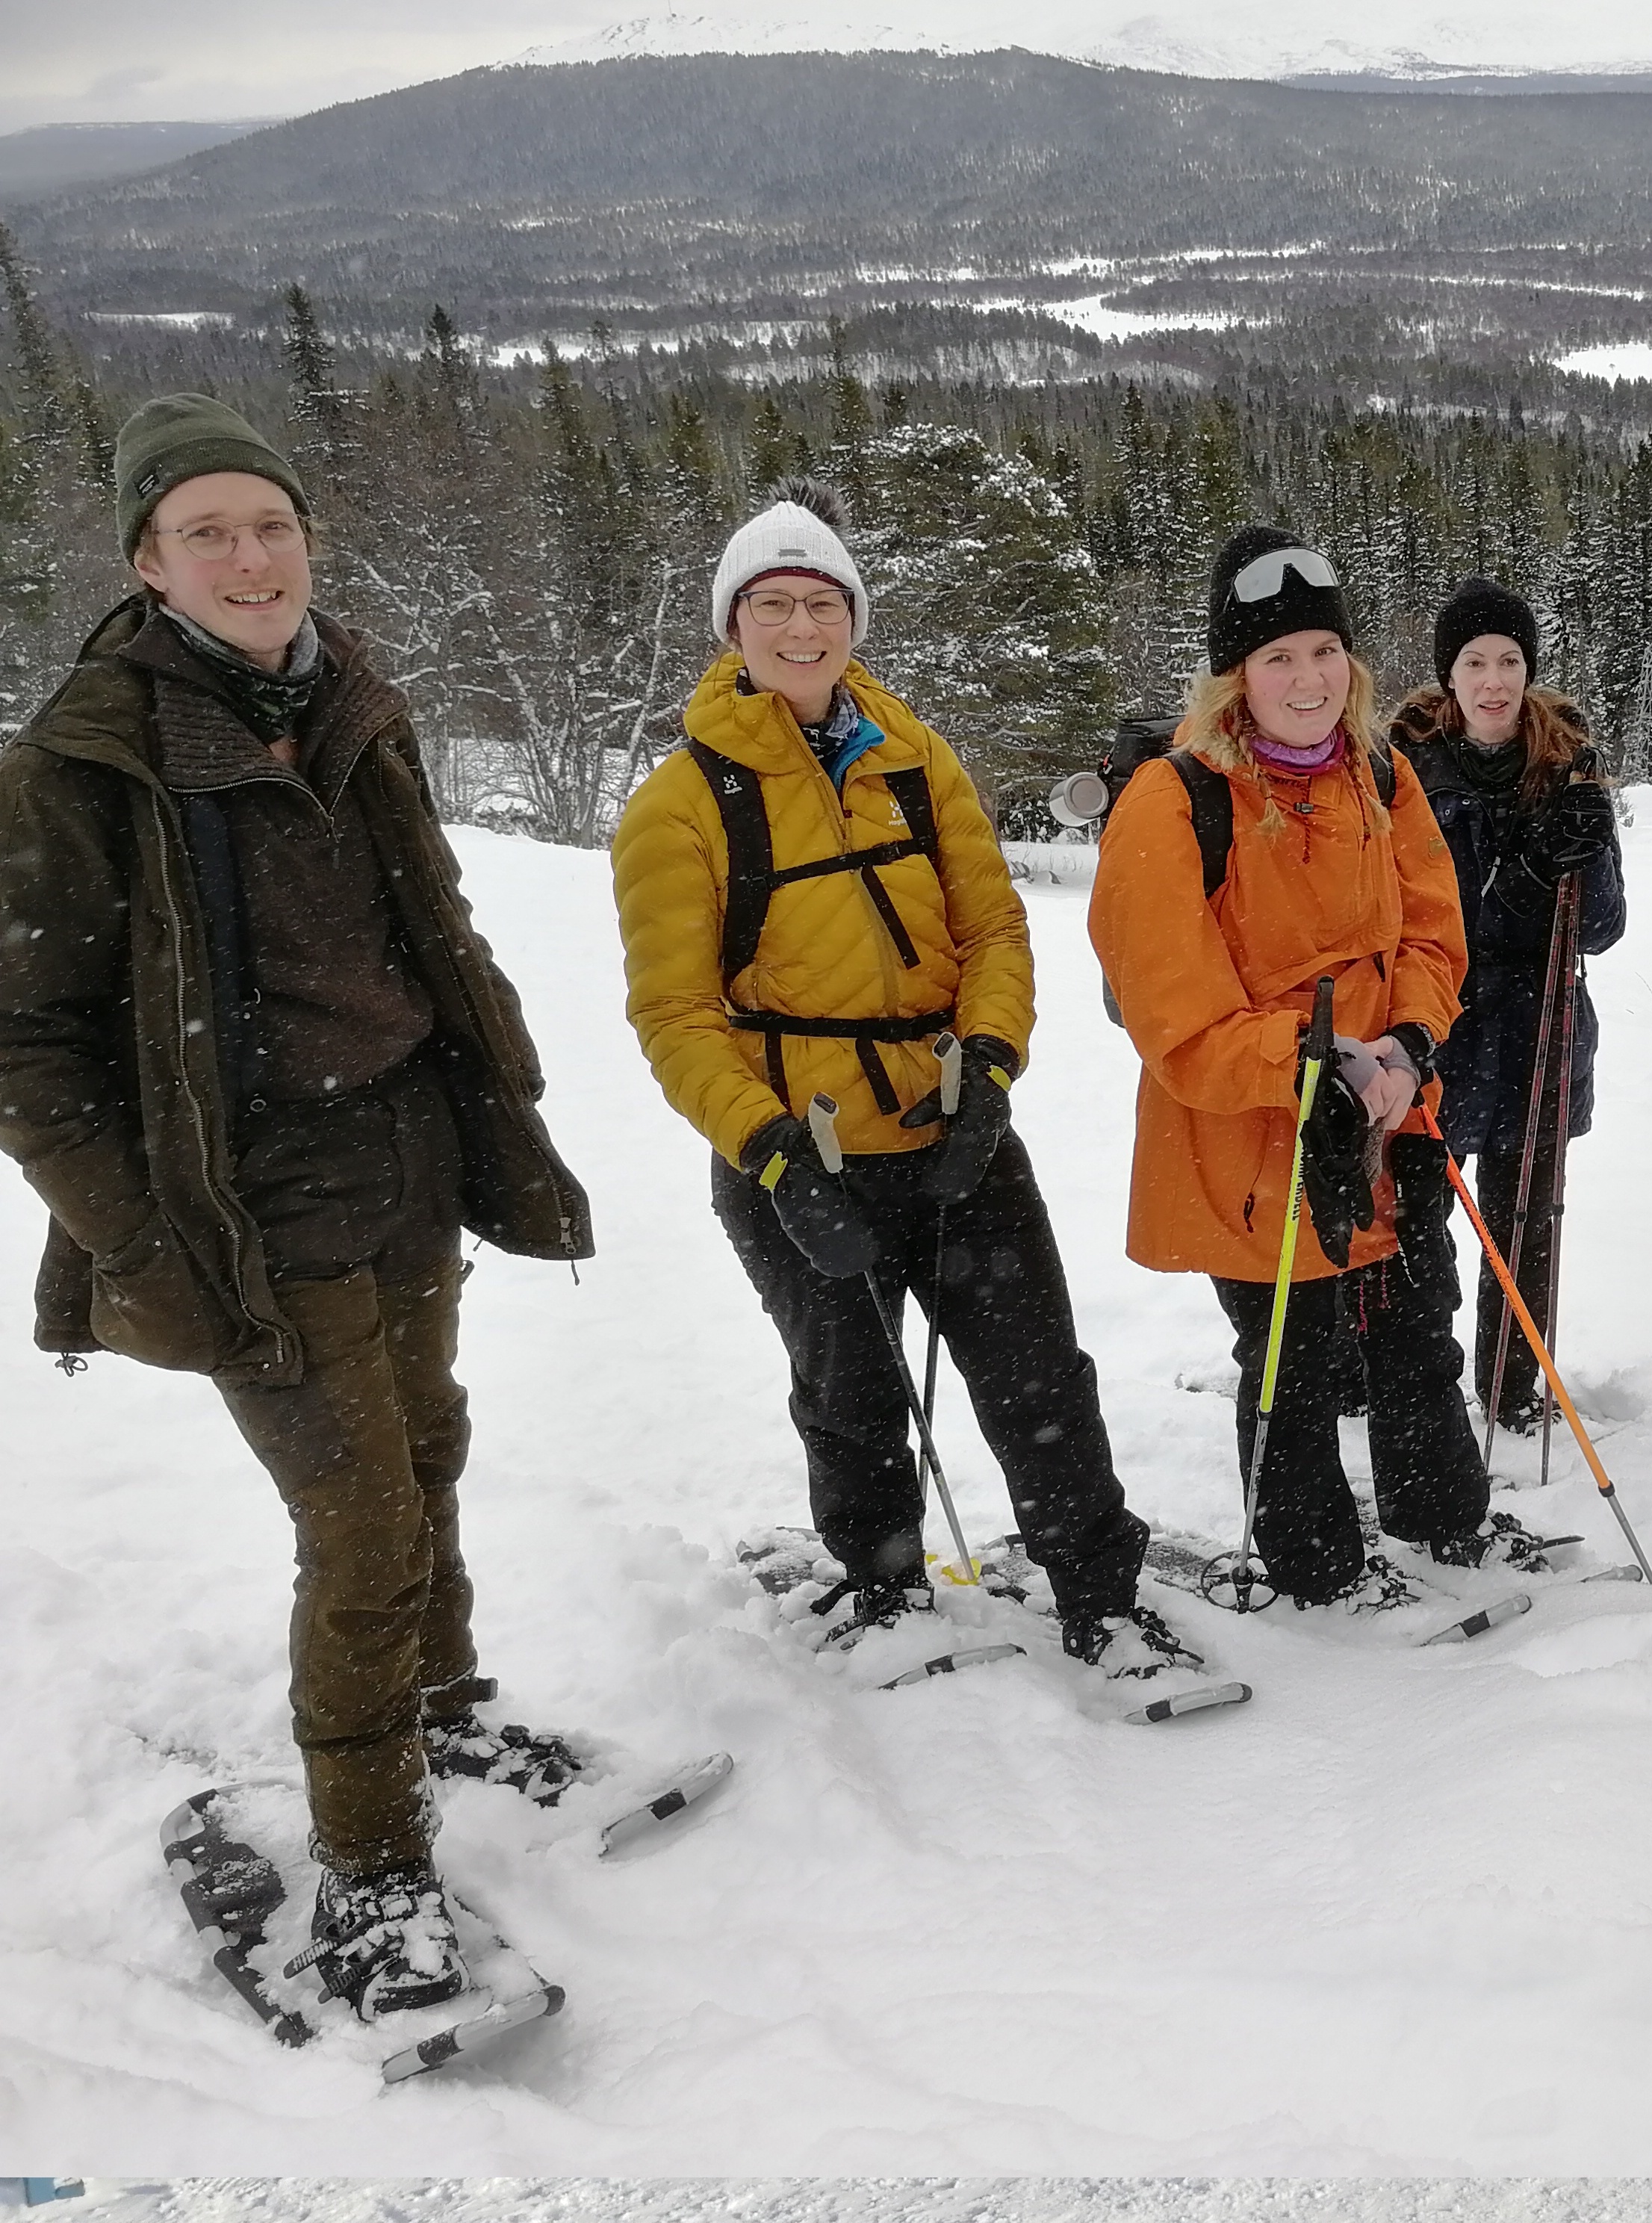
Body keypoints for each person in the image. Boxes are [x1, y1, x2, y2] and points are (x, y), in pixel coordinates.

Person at [0, 394, 594, 2018]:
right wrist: (141, 1245)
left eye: (271, 526)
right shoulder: (82, 762)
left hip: (404, 1155)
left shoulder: (351, 702)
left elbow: (432, 914)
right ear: (147, 560)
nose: (250, 557)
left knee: (429, 1444)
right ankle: (375, 1865)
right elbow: (30, 1045)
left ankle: (449, 1703)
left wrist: (491, 1110)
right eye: (209, 532)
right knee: (361, 1526)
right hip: (247, 1208)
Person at [612, 480, 1187, 1677]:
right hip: (802, 1155)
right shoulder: (682, 802)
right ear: (733, 627)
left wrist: (987, 1069)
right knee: (853, 1396)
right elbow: (674, 1016)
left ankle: (1100, 1594)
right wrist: (770, 1156)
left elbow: (995, 930)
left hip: (948, 1132)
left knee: (1039, 1379)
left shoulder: (917, 758)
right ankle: (884, 1594)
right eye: (771, 604)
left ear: (855, 619)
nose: (800, 627)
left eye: (822, 602)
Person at [1090, 525, 1527, 1612]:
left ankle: (1441, 1522)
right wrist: (1313, 1065)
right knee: (1296, 1354)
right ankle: (1315, 1567)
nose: (1307, 679)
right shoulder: (1171, 801)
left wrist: (1412, 1043)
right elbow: (1175, 1016)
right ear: (1233, 675)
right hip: (1257, 1126)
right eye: (1278, 657)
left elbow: (1435, 931)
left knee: (1419, 1323)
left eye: (1324, 652)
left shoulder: (1380, 772)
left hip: (1389, 1105)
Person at [1388, 577, 1624, 1434]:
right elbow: (1406, 917)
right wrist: (1519, 879)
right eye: (1475, 663)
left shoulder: (1567, 766)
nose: (1494, 681)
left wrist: (1584, 849)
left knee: (1528, 1218)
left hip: (1540, 1025)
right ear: (1447, 677)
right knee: (1414, 1218)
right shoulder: (1401, 774)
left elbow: (1601, 928)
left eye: (1510, 661)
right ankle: (1412, 1385)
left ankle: (1510, 1386)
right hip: (1436, 1025)